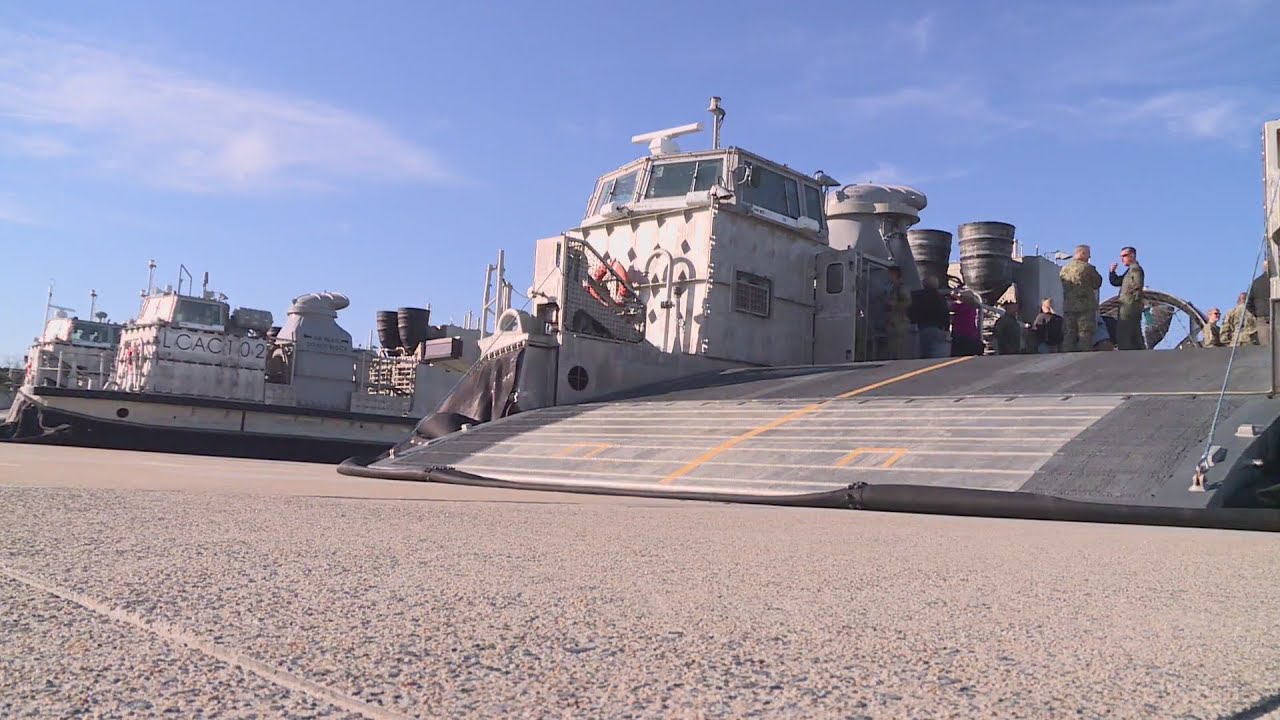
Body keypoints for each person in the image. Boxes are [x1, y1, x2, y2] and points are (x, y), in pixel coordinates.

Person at [1059, 244, 1103, 352]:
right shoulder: (1087, 268)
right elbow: (1097, 282)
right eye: (1088, 254)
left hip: (1069, 306)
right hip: (1085, 307)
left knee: (1069, 334)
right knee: (1085, 334)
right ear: (1082, 253)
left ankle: (1065, 358)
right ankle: (1084, 360)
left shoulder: (1064, 269)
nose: (1089, 258)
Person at [1109, 246, 1145, 350]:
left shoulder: (1135, 269)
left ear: (1132, 255)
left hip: (1129, 308)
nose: (1122, 259)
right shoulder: (1129, 271)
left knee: (1124, 334)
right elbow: (1116, 281)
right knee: (1134, 335)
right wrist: (1112, 272)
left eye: (1124, 256)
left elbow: (1137, 286)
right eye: (1121, 256)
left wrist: (1131, 300)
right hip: (1129, 306)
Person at [908, 275, 951, 358]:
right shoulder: (939, 297)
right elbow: (944, 313)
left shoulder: (916, 296)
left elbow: (911, 311)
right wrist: (946, 328)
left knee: (923, 353)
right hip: (936, 328)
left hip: (921, 328)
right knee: (937, 355)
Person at [884, 266, 912, 359]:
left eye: (890, 274)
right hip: (893, 322)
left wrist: (894, 304)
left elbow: (907, 301)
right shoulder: (893, 287)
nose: (888, 276)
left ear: (895, 274)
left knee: (897, 350)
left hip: (899, 323)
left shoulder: (900, 287)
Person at [949, 285, 983, 356]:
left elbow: (950, 306)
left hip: (961, 335)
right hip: (972, 335)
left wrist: (954, 295)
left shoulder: (961, 307)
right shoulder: (973, 307)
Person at [1247, 258, 1270, 345]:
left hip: (1262, 321)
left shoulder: (1255, 282)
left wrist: (1258, 315)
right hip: (1268, 320)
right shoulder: (1277, 281)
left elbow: (1248, 303)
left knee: (1266, 350)